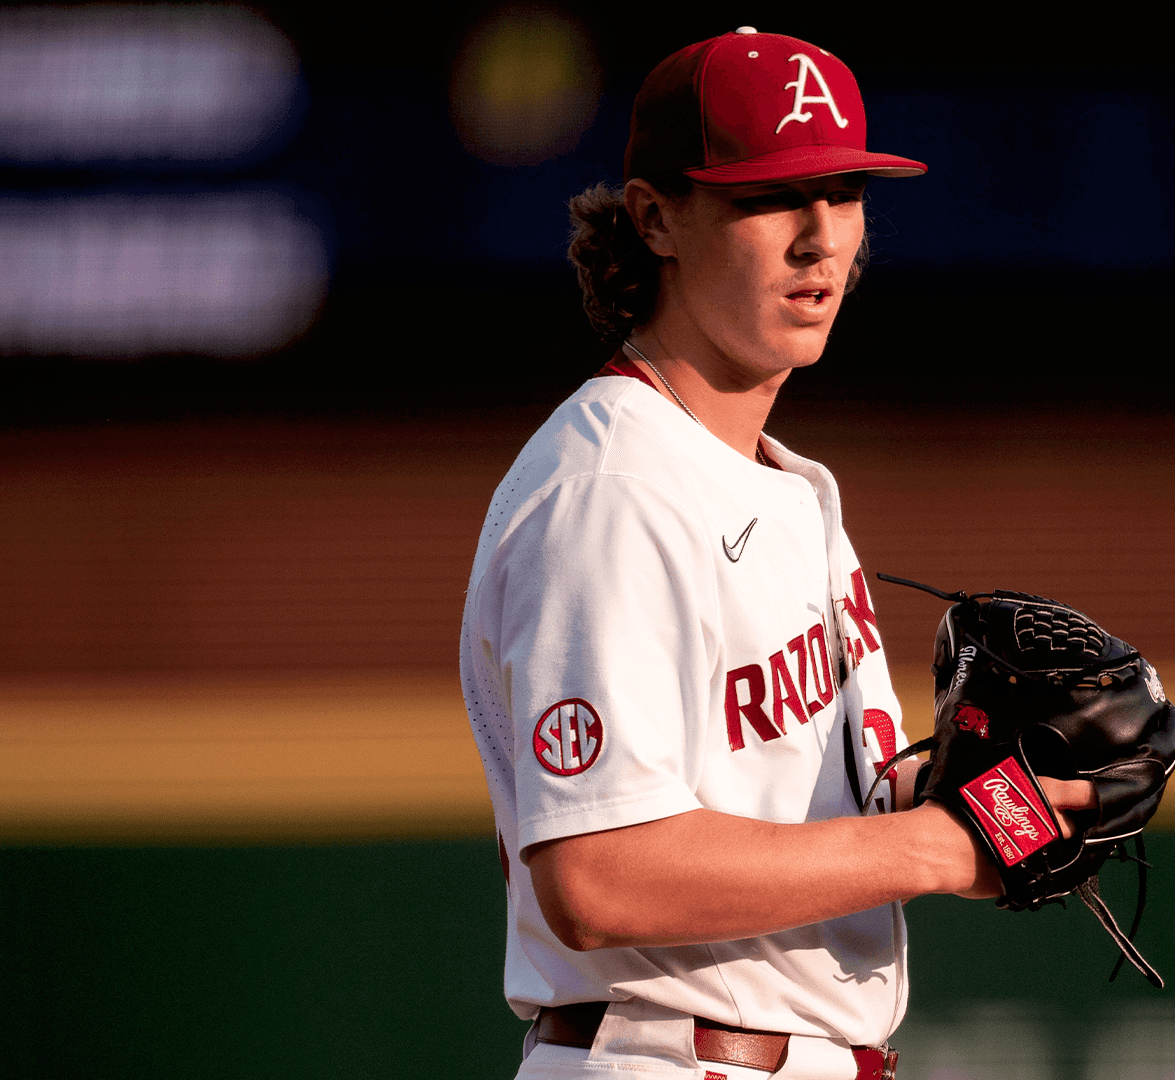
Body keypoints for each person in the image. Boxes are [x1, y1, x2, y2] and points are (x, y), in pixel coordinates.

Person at [460, 27, 1091, 1080]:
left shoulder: (784, 487)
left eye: (841, 192)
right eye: (767, 196)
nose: (819, 236)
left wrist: (995, 800)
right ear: (655, 218)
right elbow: (597, 875)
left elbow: (842, 808)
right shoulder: (614, 488)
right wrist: (934, 849)